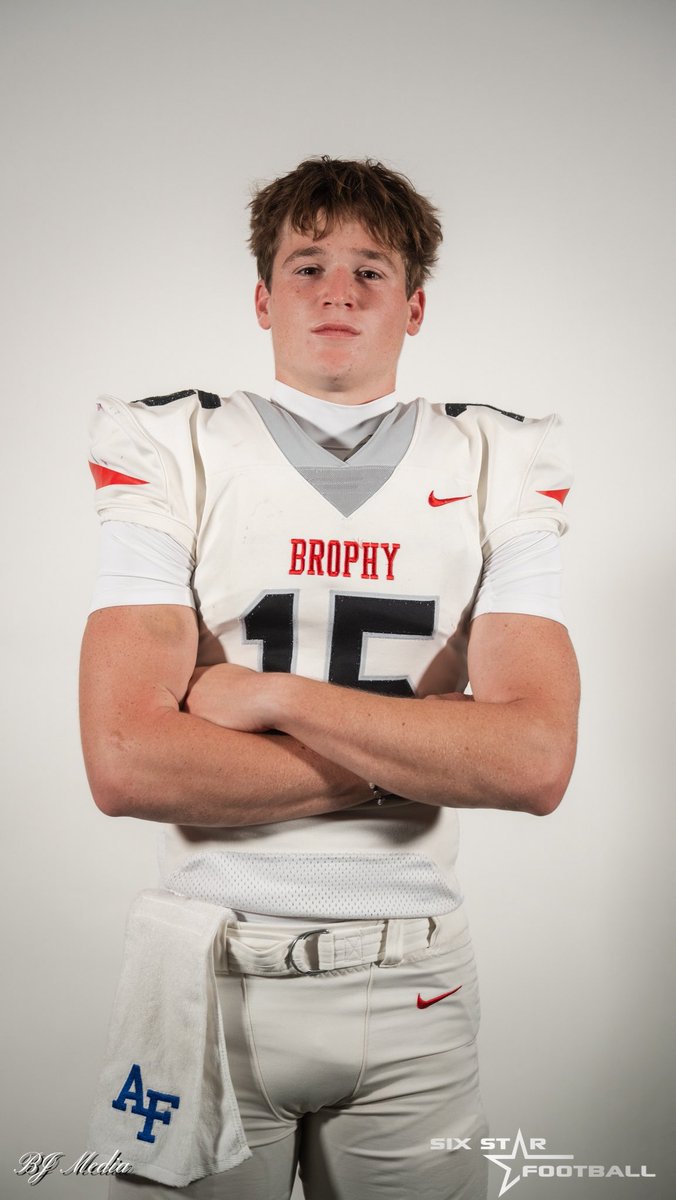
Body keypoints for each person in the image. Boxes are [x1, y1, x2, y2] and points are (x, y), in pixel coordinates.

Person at [80, 156, 579, 1200]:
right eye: (307, 266)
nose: (338, 291)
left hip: (418, 983)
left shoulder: (497, 457)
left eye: (370, 268)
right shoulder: (176, 443)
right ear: (262, 298)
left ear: (416, 304)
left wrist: (277, 698)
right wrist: (435, 750)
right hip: (205, 976)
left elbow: (533, 761)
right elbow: (126, 762)